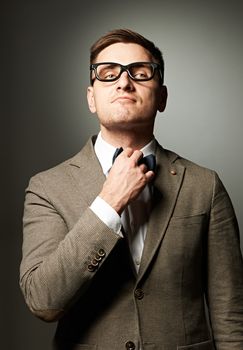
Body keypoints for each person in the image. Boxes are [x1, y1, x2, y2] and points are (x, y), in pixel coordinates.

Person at [20, 29, 243, 350]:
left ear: (162, 97)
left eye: (140, 73)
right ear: (91, 98)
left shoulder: (204, 185)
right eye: (108, 74)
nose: (124, 82)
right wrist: (109, 203)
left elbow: (231, 309)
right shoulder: (46, 188)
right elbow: (43, 301)